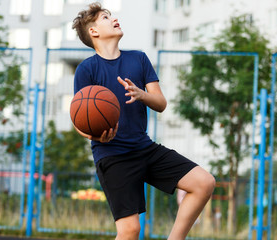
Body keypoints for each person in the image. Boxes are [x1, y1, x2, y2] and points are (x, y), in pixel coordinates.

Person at [72, 3, 215, 240]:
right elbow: (79, 121)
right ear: (94, 32)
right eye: (106, 17)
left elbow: (160, 103)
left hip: (144, 148)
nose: (114, 18)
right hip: (113, 156)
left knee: (204, 182)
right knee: (130, 231)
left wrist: (142, 94)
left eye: (112, 15)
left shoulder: (138, 59)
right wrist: (94, 135)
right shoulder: (87, 69)